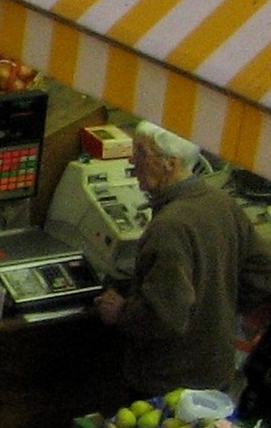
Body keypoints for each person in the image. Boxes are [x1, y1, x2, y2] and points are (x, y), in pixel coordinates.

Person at [94, 121, 271, 399]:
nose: (132, 159)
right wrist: (220, 308)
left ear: (169, 164)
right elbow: (262, 271)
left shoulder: (169, 227)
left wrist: (120, 313)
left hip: (168, 382)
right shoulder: (222, 203)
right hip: (216, 371)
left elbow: (166, 315)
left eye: (141, 152)